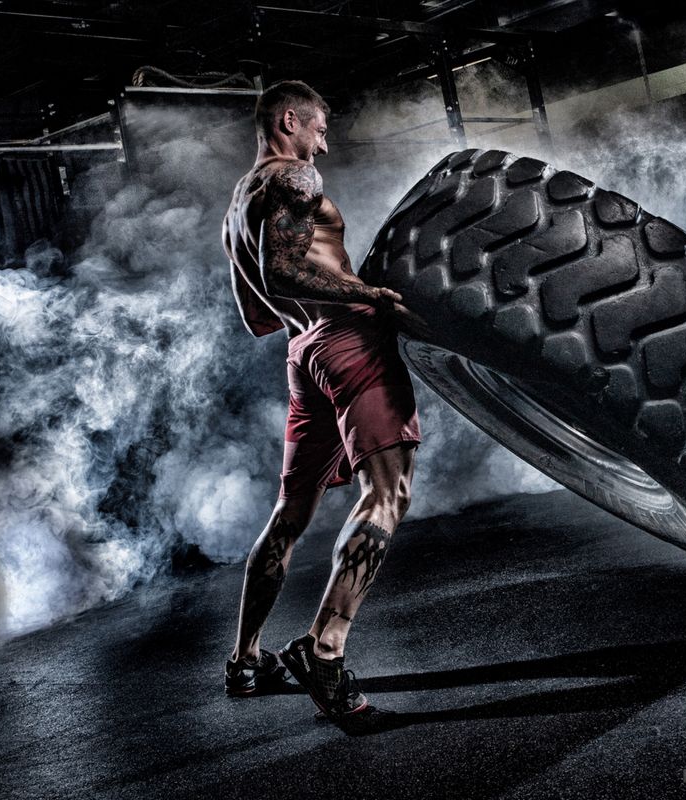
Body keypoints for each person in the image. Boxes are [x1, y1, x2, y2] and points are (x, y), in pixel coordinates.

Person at [220, 79, 424, 722]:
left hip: (302, 353)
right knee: (387, 495)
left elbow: (258, 314)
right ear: (289, 120)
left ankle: (246, 661)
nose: (324, 143)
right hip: (349, 343)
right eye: (319, 129)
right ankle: (324, 650)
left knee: (291, 510)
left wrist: (312, 309)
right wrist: (366, 296)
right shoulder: (294, 179)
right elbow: (283, 271)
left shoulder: (235, 207)